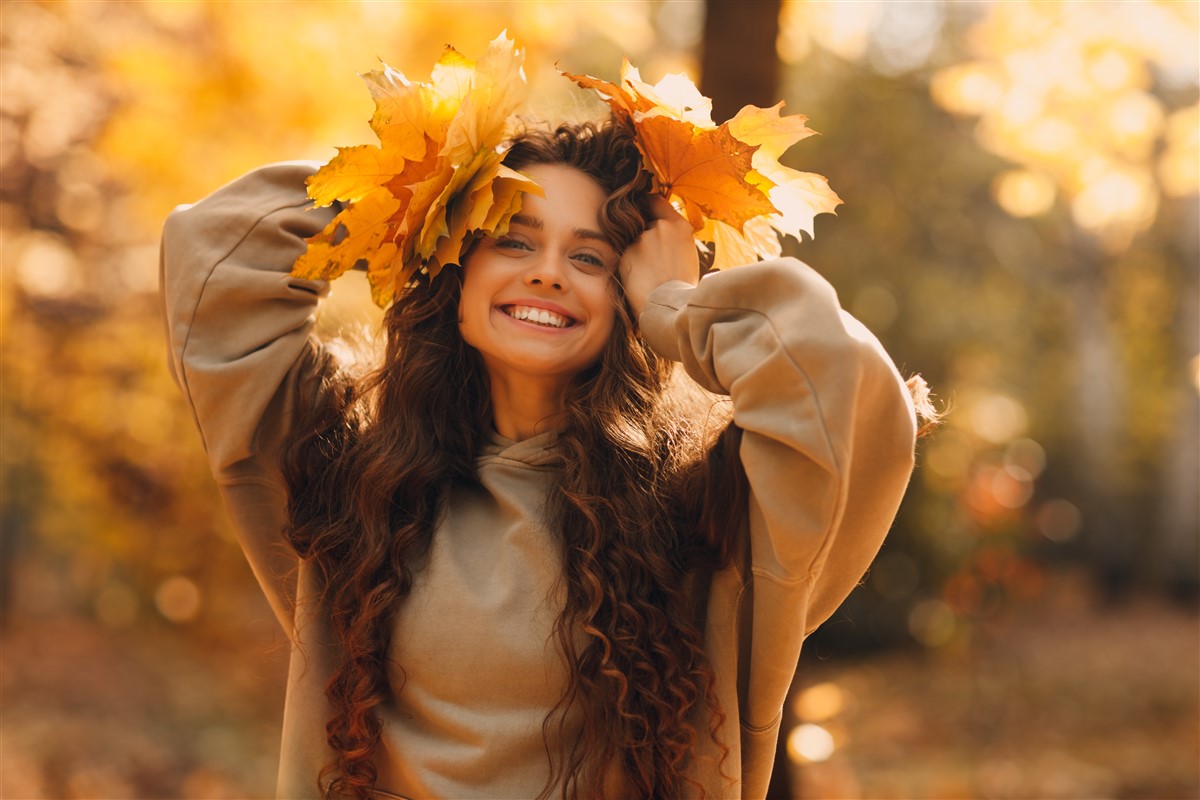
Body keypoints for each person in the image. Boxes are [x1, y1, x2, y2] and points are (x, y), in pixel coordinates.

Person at [162, 116, 922, 798]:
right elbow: (215, 259)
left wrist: (673, 308)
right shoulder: (348, 477)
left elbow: (843, 380)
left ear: (624, 296)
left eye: (590, 258)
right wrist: (413, 194)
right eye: (514, 240)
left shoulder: (705, 512)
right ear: (454, 275)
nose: (548, 272)